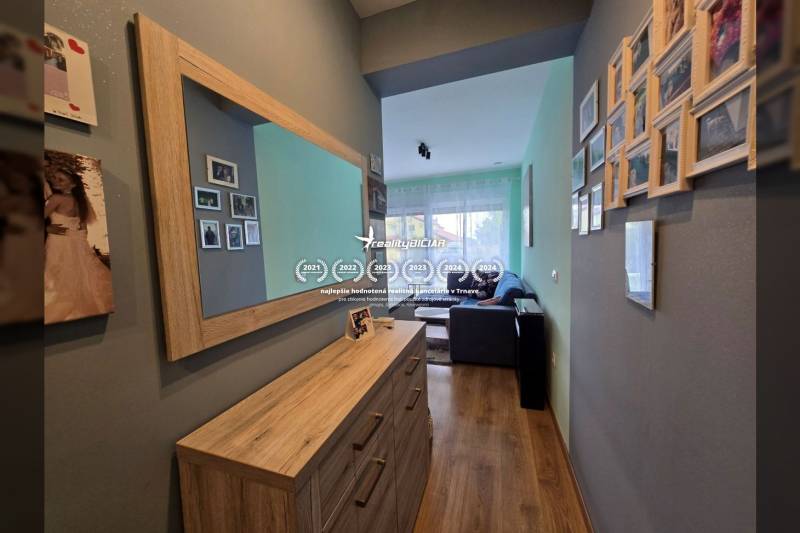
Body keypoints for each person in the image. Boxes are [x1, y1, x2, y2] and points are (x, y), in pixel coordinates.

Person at [44, 156, 113, 323]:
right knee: (78, 271)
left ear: (72, 184)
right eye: (55, 178)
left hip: (59, 241)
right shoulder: (80, 202)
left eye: (61, 179)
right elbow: (82, 226)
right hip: (76, 241)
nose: (55, 181)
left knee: (57, 273)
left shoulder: (56, 199)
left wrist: (47, 228)